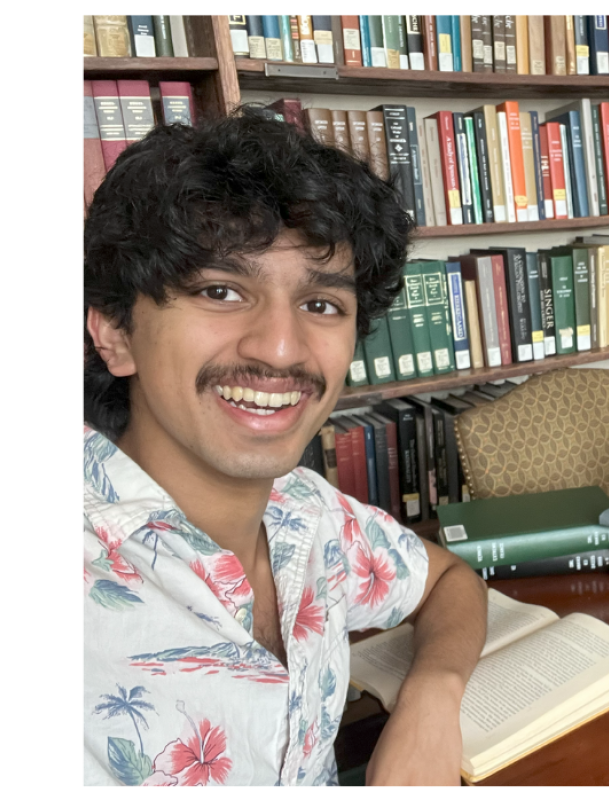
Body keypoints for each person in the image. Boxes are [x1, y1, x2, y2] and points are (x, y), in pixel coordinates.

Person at [82, 108, 487, 786]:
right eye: (220, 290)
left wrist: (430, 698)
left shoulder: (309, 513)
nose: (279, 348)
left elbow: (448, 582)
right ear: (116, 334)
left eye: (321, 305)